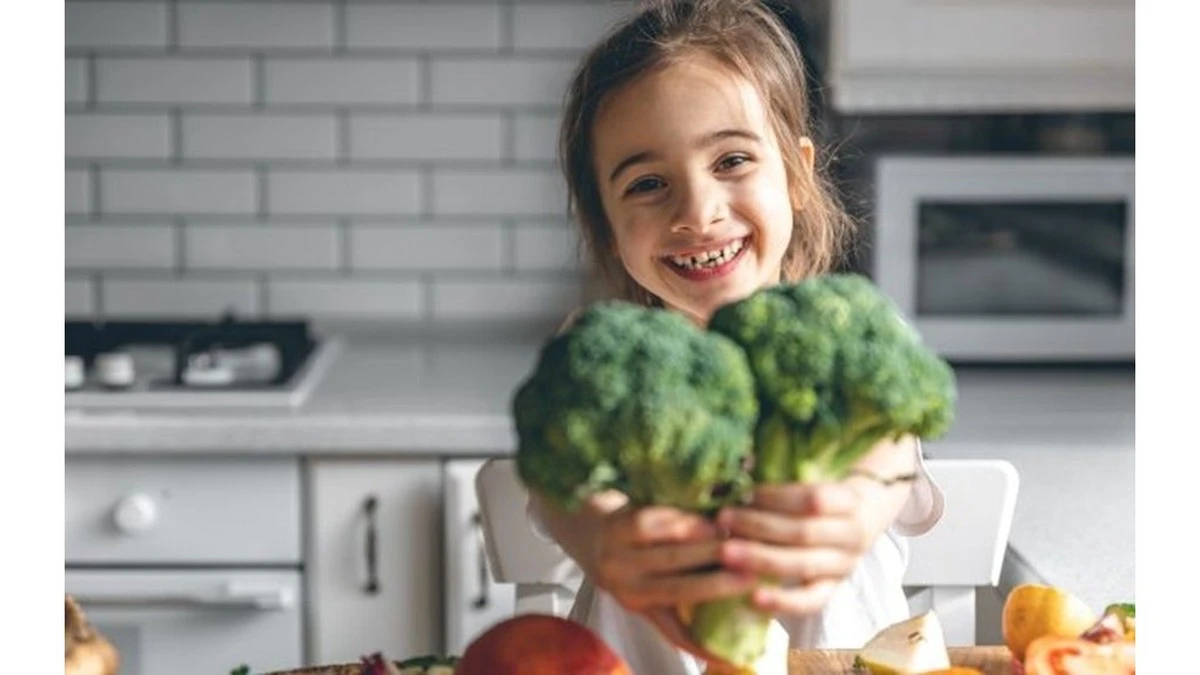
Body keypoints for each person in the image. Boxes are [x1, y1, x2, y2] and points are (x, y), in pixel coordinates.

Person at [525, 1, 945, 672]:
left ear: (798, 174)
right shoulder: (598, 357)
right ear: (606, 223)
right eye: (649, 183)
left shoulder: (851, 338)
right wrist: (602, 532)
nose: (697, 211)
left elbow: (887, 450)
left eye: (731, 161)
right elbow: (558, 489)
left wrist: (856, 506)